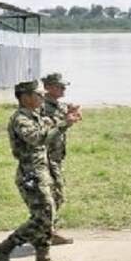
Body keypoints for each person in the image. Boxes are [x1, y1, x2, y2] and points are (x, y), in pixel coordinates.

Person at [0, 80, 81, 261]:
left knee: (48, 216)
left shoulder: (35, 115)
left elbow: (51, 123)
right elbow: (38, 137)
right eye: (38, 94)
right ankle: (2, 250)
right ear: (26, 97)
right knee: (43, 216)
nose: (42, 97)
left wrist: (67, 115)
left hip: (43, 171)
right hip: (31, 175)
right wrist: (65, 124)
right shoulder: (20, 119)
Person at [41, 72, 79, 246]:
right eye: (59, 86)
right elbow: (46, 134)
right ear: (48, 87)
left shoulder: (58, 105)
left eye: (64, 86)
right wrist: (66, 122)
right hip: (44, 158)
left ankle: (46, 231)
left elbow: (66, 117)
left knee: (55, 196)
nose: (63, 89)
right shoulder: (41, 107)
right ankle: (46, 232)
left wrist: (71, 113)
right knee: (54, 196)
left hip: (56, 157)